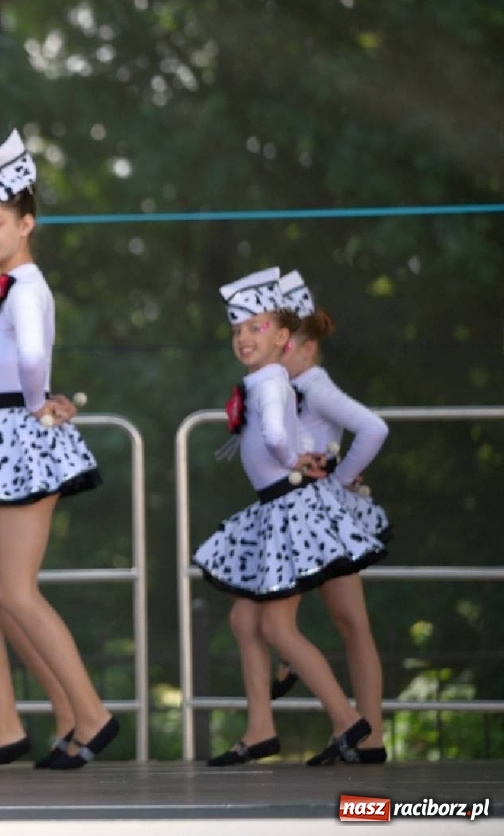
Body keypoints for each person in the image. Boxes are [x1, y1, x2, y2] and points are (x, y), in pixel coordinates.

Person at [0, 130, 114, 770]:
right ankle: (10, 726)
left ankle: (91, 716)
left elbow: (35, 356)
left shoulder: (28, 287)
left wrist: (38, 404)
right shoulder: (5, 289)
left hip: (21, 441)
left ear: (26, 224)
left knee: (14, 591)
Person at [196, 268, 381, 766]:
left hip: (302, 509)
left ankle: (354, 725)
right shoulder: (277, 381)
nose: (245, 338)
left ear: (293, 341)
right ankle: (264, 727)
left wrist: (337, 477)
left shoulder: (298, 383)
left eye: (258, 328)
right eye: (238, 329)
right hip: (285, 507)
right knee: (246, 618)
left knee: (310, 625)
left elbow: (354, 431)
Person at [273, 270, 390, 763]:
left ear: (307, 347)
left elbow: (373, 428)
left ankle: (365, 733)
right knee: (345, 622)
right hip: (300, 513)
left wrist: (338, 481)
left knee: (346, 622)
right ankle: (363, 733)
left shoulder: (313, 385)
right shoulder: (284, 386)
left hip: (316, 515)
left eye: (282, 344)